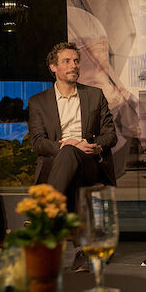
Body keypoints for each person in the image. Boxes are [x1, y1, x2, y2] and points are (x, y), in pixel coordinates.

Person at [28, 42, 117, 271]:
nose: (74, 65)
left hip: (90, 161)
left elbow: (110, 134)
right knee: (69, 157)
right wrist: (66, 146)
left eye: (76, 61)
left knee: (73, 155)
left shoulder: (94, 95)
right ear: (53, 67)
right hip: (59, 162)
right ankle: (82, 253)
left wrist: (96, 146)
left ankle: (47, 215)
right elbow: (37, 142)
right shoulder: (38, 102)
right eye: (66, 61)